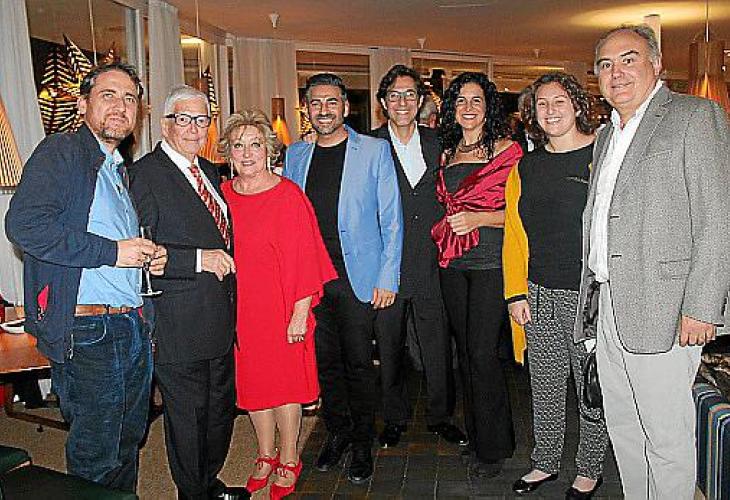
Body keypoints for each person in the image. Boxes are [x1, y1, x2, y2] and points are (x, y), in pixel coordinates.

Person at [576, 25, 729, 499]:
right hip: (608, 303)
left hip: (665, 307)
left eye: (629, 59)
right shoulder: (606, 135)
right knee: (624, 429)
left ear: (657, 64)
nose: (616, 72)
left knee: (666, 437)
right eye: (606, 64)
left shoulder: (693, 115)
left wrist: (702, 306)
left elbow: (717, 215)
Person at [5, 62, 167, 492]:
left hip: (131, 324)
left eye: (129, 98)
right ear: (82, 105)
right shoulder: (62, 152)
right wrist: (114, 251)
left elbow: (113, 246)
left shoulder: (116, 168)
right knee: (97, 455)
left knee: (127, 442)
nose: (120, 106)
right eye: (108, 95)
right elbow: (24, 226)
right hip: (91, 330)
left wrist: (144, 259)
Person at [284, 73, 402, 485]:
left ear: (345, 107)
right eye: (316, 103)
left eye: (331, 102)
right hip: (312, 279)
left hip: (358, 277)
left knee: (358, 363)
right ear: (307, 109)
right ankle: (337, 433)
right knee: (325, 363)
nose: (324, 110)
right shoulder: (295, 154)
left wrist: (388, 276)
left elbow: (392, 218)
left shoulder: (374, 150)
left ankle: (362, 442)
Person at [130, 86, 242, 500]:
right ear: (165, 125)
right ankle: (192, 493)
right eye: (184, 119)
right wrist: (197, 260)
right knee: (189, 420)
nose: (195, 128)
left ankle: (207, 482)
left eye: (202, 120)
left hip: (219, 316)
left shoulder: (209, 172)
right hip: (178, 321)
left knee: (219, 412)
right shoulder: (143, 175)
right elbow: (141, 246)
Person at [219, 109, 336, 499]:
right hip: (242, 309)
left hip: (284, 306)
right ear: (228, 153)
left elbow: (307, 258)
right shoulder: (222, 196)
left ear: (269, 151)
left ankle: (289, 457)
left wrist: (299, 313)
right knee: (254, 385)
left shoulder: (289, 196)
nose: (247, 153)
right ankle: (265, 454)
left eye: (255, 144)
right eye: (238, 146)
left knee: (285, 387)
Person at [503, 72, 608, 499]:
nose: (550, 111)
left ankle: (589, 469)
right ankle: (544, 462)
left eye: (559, 101)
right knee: (544, 386)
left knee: (590, 387)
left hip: (589, 297)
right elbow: (514, 235)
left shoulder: (602, 156)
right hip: (538, 294)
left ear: (578, 105)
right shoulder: (525, 166)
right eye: (541, 104)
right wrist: (515, 293)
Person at [431, 71, 521, 477]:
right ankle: (479, 435)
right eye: (461, 100)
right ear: (452, 108)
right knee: (465, 353)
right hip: (453, 263)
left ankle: (494, 448)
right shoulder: (447, 153)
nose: (468, 107)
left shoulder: (507, 150)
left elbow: (521, 212)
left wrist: (480, 217)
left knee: (483, 354)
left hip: (490, 263)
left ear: (488, 107)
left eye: (476, 100)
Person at [372, 64, 465, 448]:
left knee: (437, 344)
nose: (402, 102)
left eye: (410, 94)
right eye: (394, 95)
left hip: (432, 262)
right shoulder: (369, 146)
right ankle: (393, 417)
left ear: (421, 100)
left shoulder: (439, 143)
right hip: (387, 266)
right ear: (383, 102)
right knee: (389, 346)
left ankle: (441, 416)